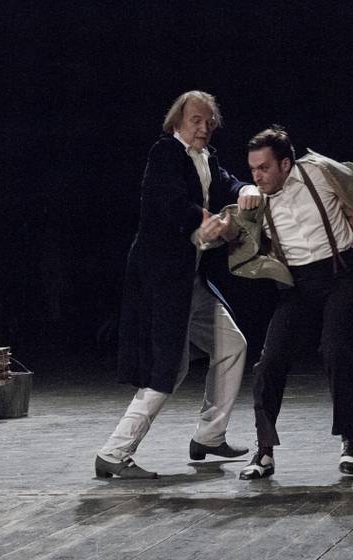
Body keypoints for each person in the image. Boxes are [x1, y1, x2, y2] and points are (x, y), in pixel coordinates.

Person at [95, 91, 249, 478]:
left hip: (190, 282)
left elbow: (227, 184)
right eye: (196, 120)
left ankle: (209, 436)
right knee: (168, 369)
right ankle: (114, 453)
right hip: (161, 280)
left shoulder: (207, 158)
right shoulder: (165, 153)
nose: (204, 127)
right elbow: (168, 202)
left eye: (209, 121)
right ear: (177, 121)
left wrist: (246, 191)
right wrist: (207, 221)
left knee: (232, 345)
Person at [236, 126, 353, 480]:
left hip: (341, 273)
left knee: (336, 350)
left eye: (263, 168)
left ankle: (349, 441)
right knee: (269, 361)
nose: (257, 176)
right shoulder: (256, 197)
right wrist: (242, 195)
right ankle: (264, 451)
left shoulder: (320, 172)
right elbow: (233, 222)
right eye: (252, 169)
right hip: (298, 284)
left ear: (285, 164)